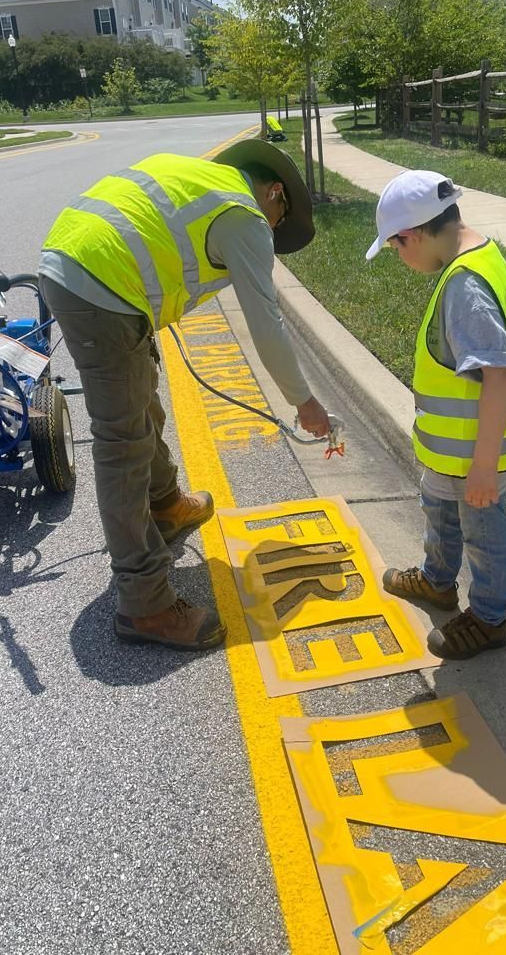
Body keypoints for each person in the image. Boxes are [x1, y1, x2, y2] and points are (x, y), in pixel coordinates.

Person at [38, 140, 330, 651]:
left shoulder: (198, 178)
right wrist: (303, 400)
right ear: (274, 194)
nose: (271, 233)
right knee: (122, 441)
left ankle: (166, 503)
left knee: (141, 398)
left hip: (84, 265)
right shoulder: (244, 215)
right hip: (100, 285)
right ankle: (145, 604)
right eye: (279, 222)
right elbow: (266, 323)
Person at [366, 170, 506, 660]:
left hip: (475, 456)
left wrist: (484, 466)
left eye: (396, 247)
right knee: (438, 509)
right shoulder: (478, 254)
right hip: (452, 453)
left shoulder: (464, 288)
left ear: (413, 234)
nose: (401, 258)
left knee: (484, 534)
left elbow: (498, 376)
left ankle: (488, 619)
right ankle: (438, 581)